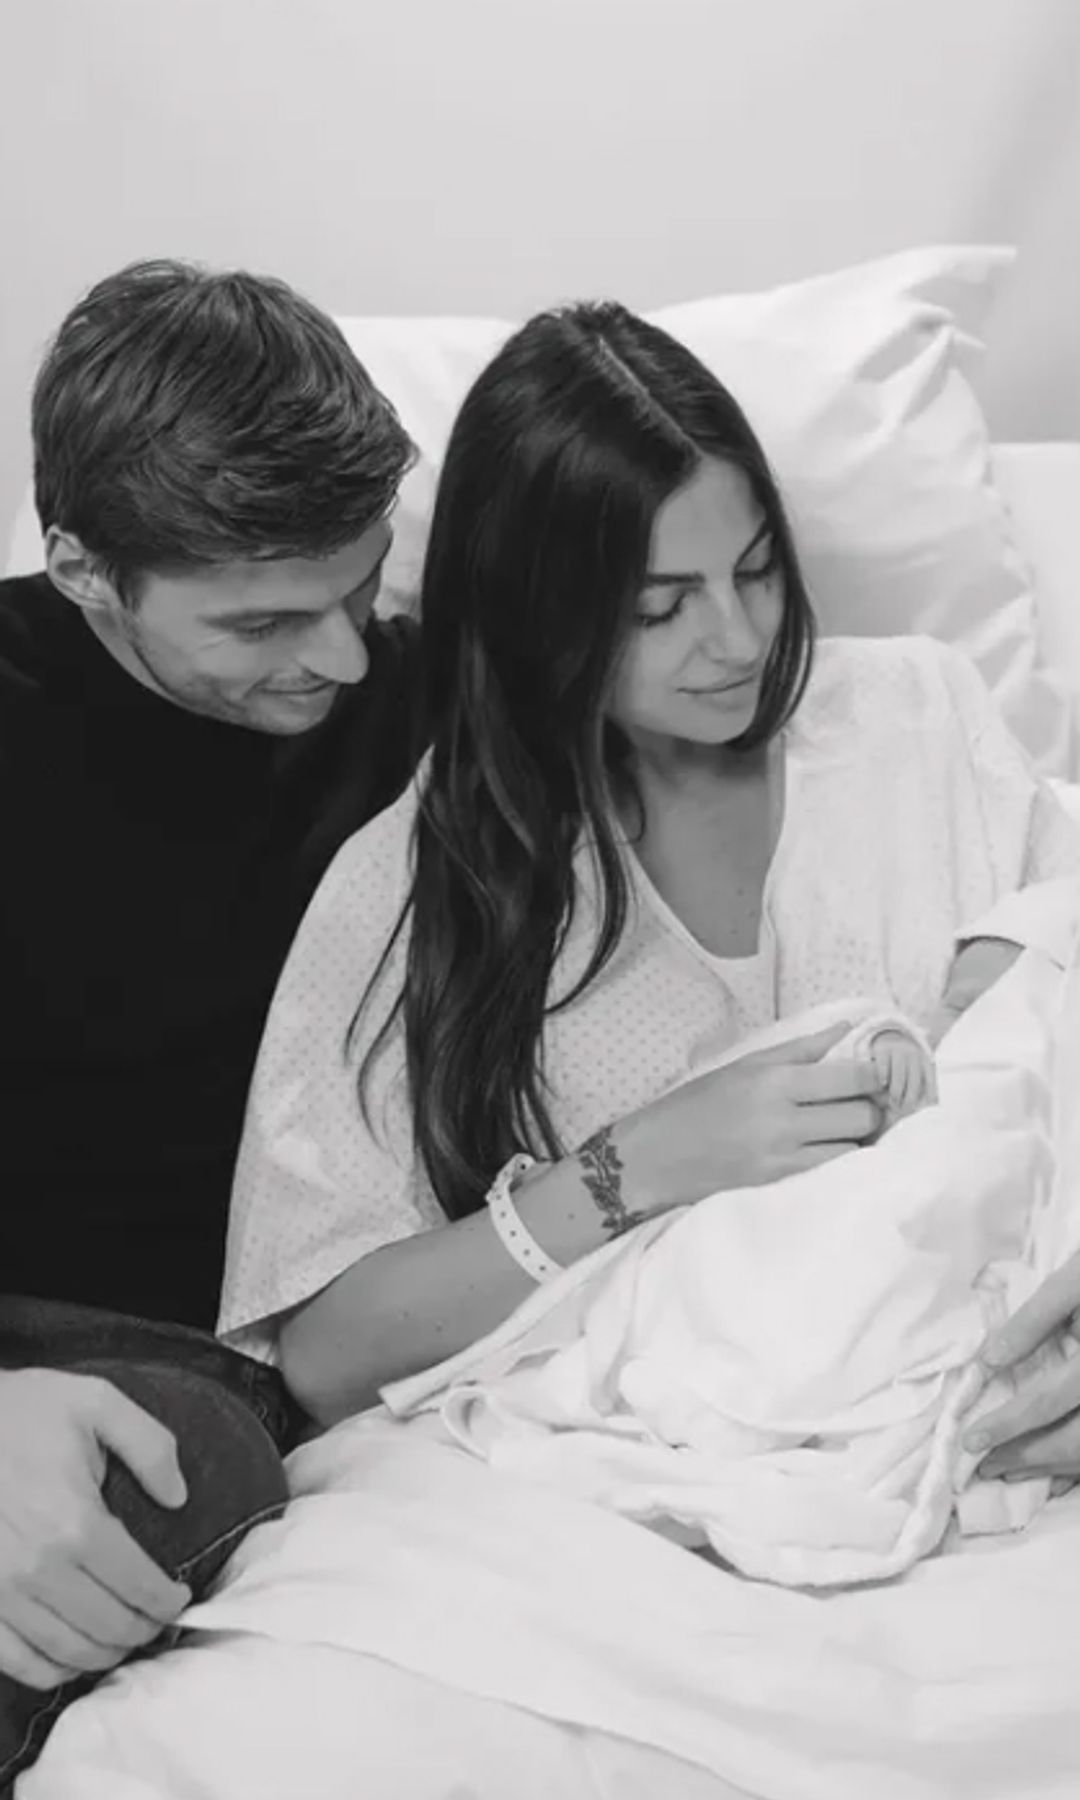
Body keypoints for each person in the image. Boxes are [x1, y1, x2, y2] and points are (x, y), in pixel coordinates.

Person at [218, 300, 1080, 1435]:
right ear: (533, 615)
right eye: (659, 608)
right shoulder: (426, 879)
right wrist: (637, 1166)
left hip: (978, 1398)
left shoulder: (923, 720)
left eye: (758, 570)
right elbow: (326, 1358)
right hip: (622, 1462)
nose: (736, 638)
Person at [0, 259, 421, 1790]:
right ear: (82, 567)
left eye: (360, 587)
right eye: (263, 621)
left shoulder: (421, 702)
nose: (343, 657)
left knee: (186, 1463)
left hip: (205, 1370)